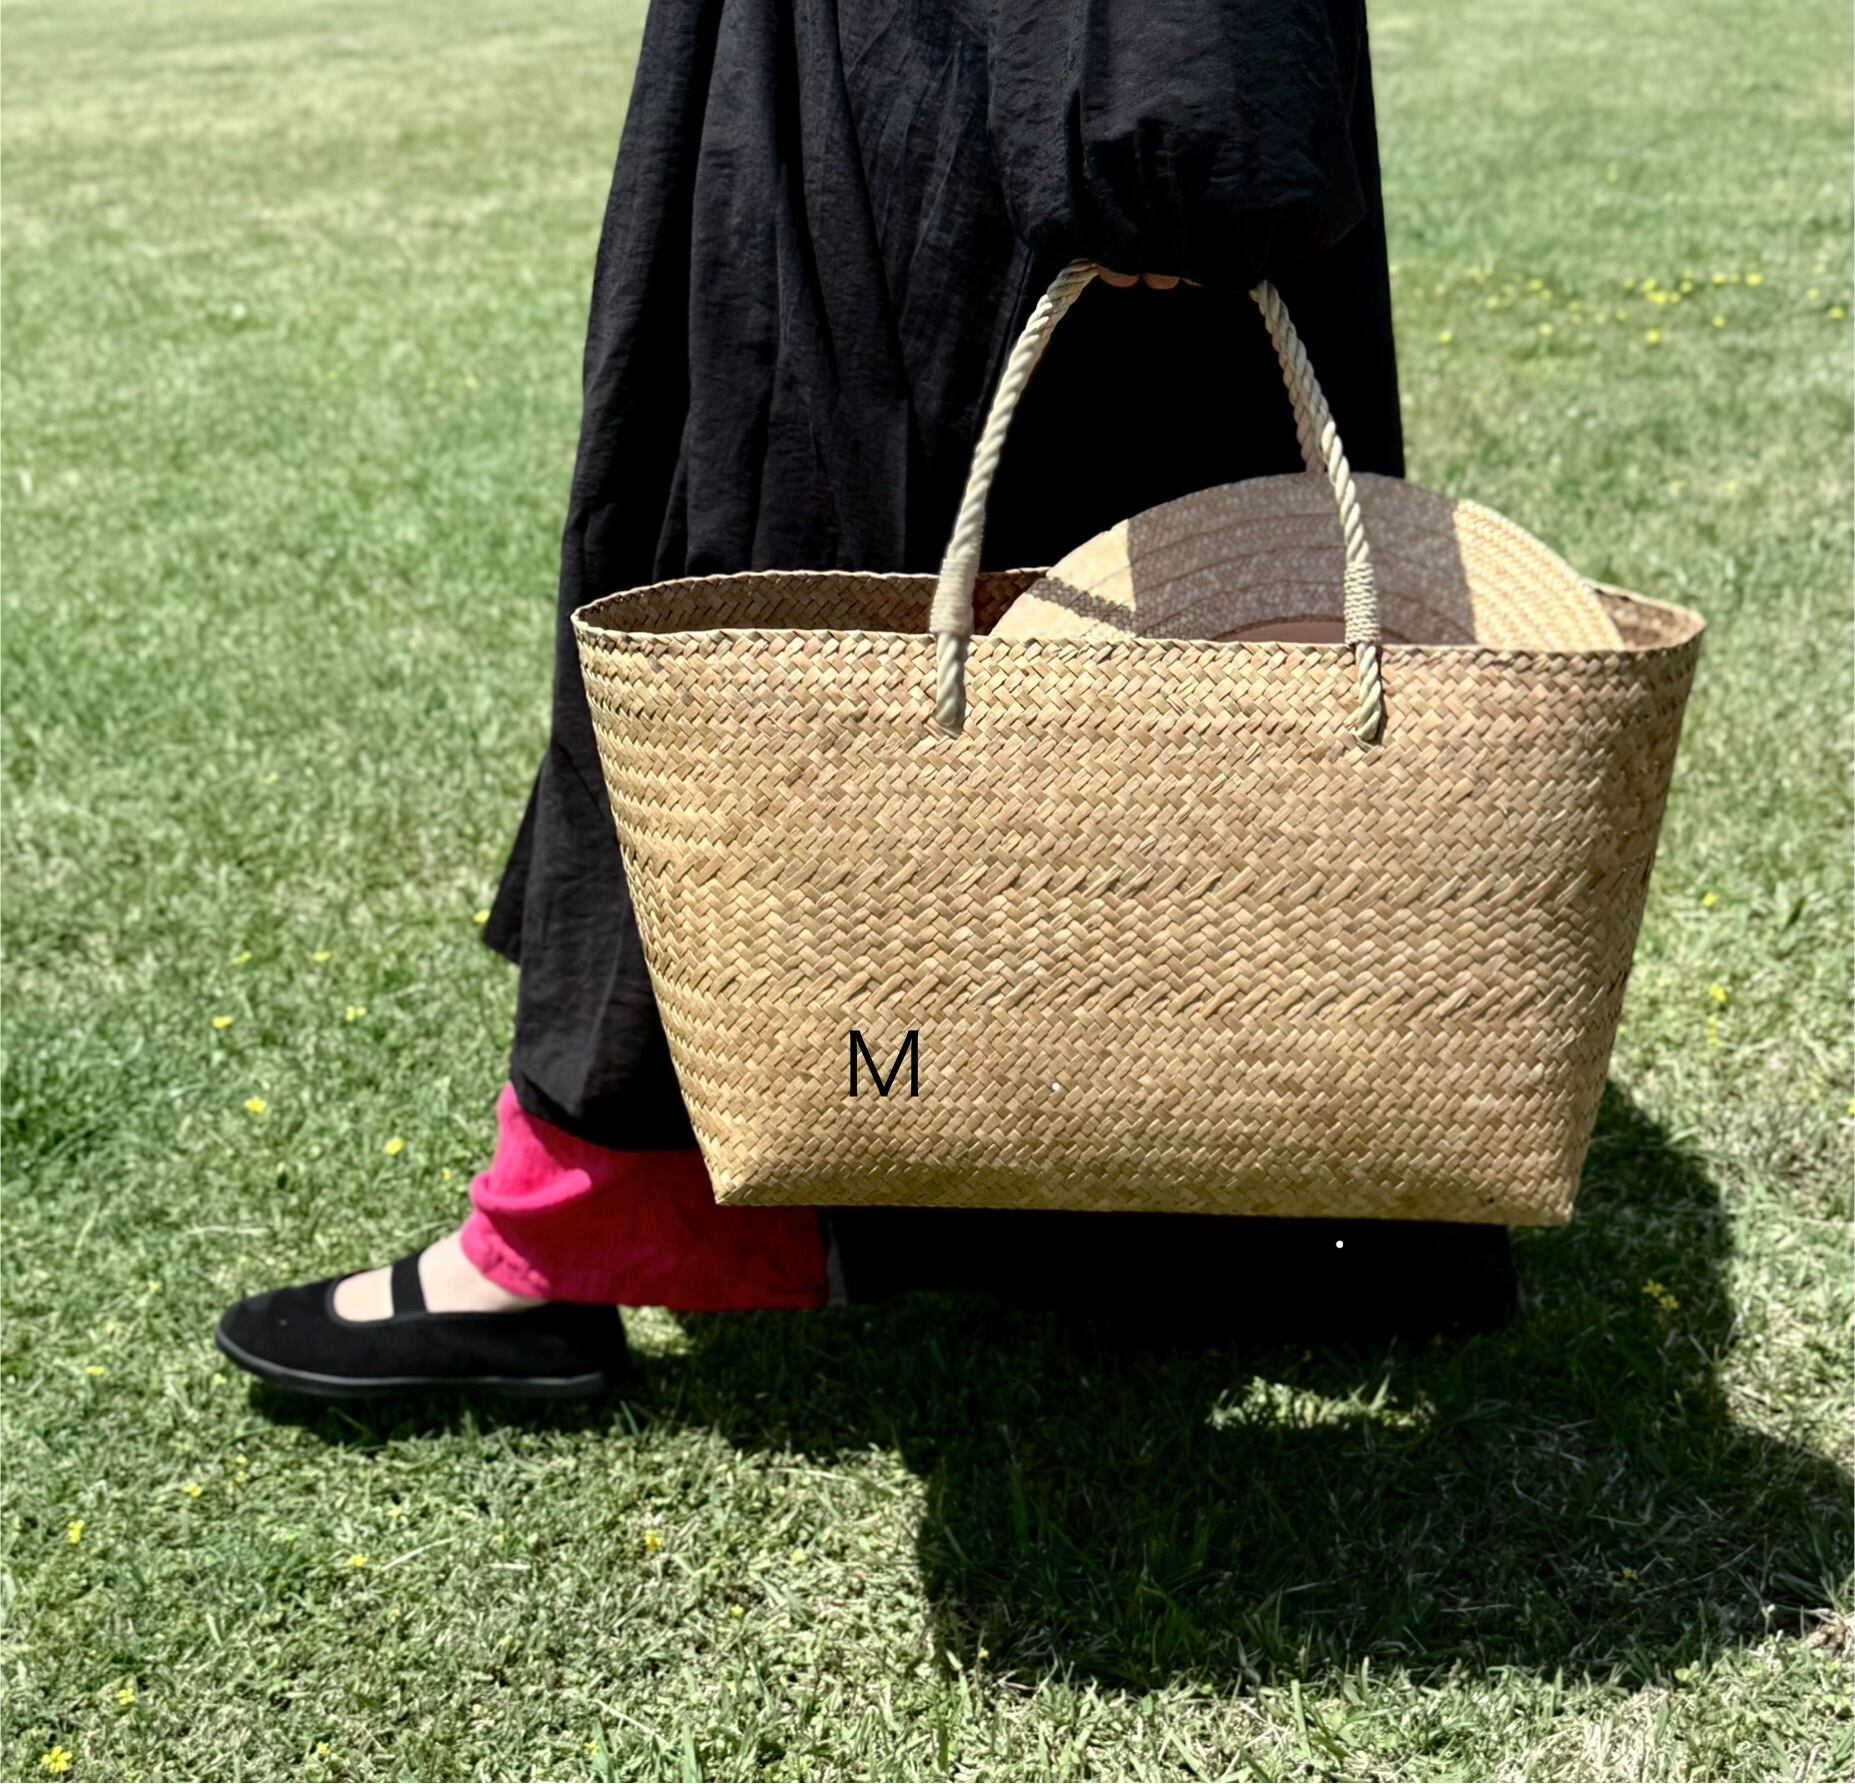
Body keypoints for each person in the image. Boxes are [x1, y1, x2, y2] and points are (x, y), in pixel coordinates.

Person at [215, 0, 1516, 1401]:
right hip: (945, 74)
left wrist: (1177, 109)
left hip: (989, 99)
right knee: (1020, 640)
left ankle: (617, 1215)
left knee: (851, 625)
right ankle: (1267, 1197)